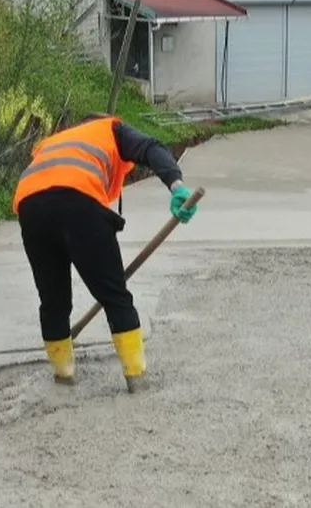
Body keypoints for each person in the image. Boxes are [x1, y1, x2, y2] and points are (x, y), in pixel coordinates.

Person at [11, 112, 198, 393]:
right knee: (115, 296)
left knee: (53, 301)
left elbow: (48, 182)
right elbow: (152, 148)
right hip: (78, 201)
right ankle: (137, 379)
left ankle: (63, 378)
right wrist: (177, 186)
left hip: (30, 206)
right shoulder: (112, 128)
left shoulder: (53, 141)